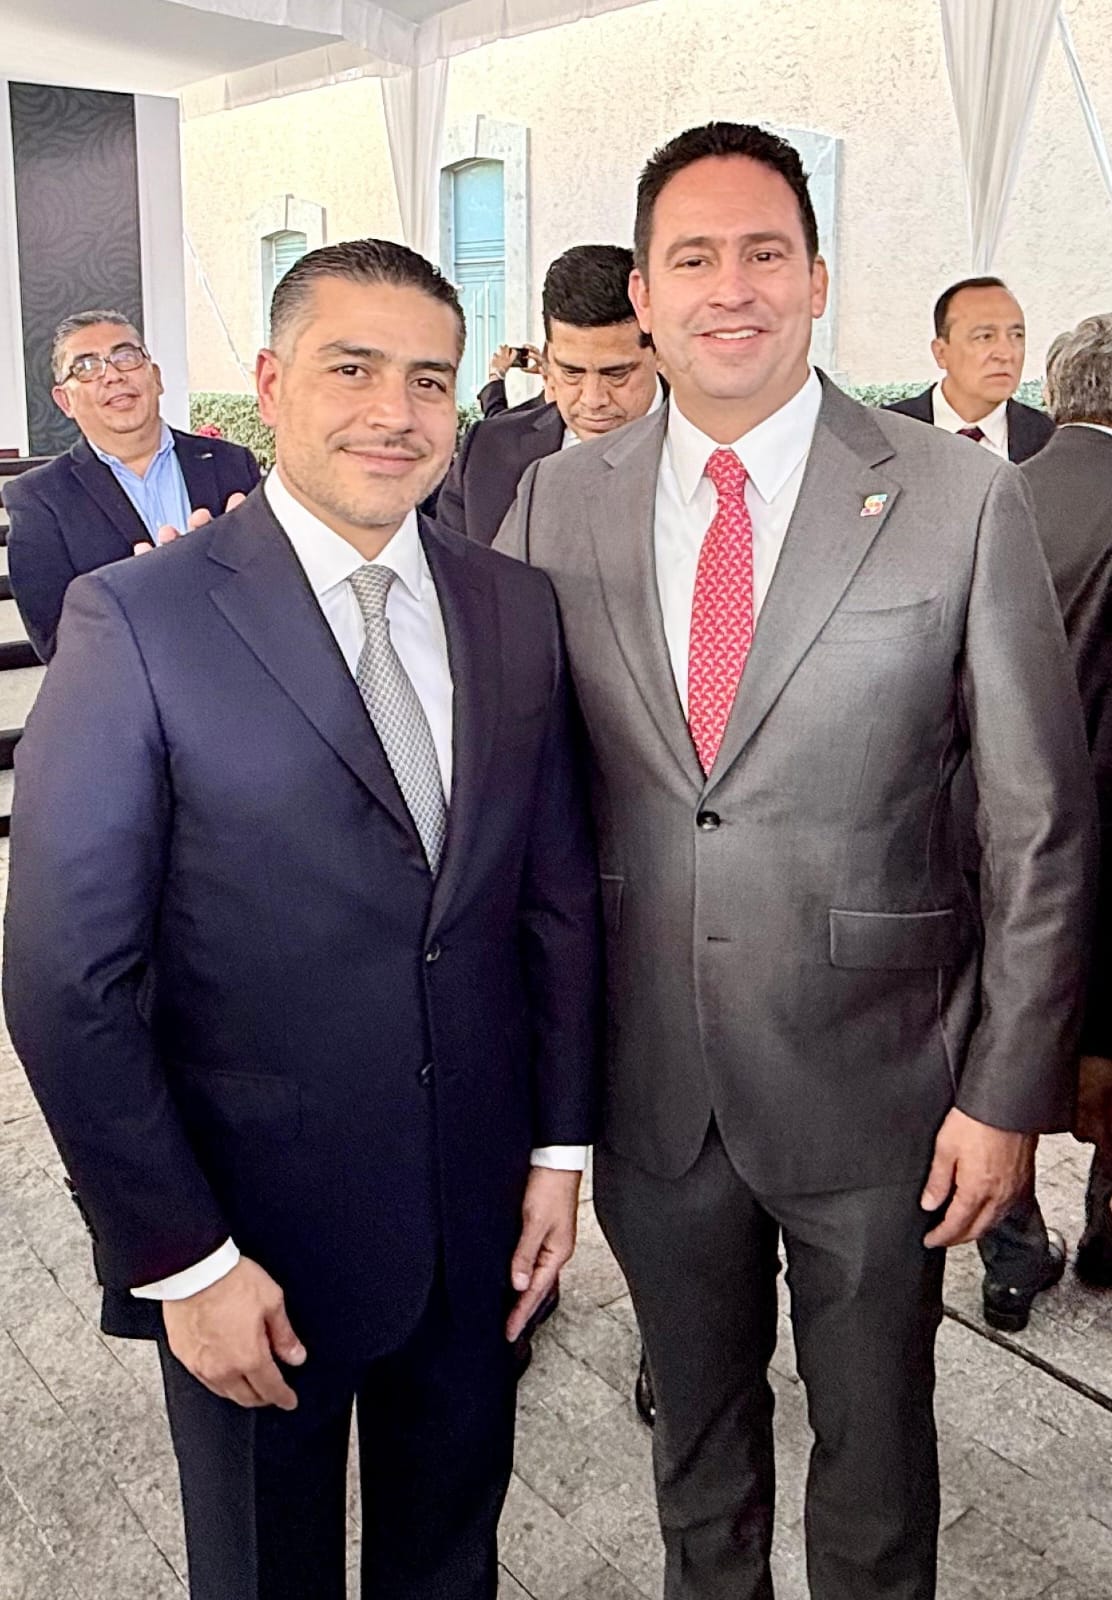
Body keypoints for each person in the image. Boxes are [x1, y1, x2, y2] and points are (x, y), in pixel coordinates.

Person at [497, 121, 1095, 1599]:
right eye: (692, 257)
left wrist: (1005, 1094)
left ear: (818, 279)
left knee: (876, 1469)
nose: (732, 286)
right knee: (696, 1468)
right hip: (650, 1088)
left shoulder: (956, 495)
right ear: (644, 295)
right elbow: (496, 775)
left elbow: (1038, 823)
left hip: (886, 1095)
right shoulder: (557, 504)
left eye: (765, 251)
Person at [2, 239, 600, 1600]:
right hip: (248, 1240)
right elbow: (66, 977)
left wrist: (558, 1150)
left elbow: (553, 898)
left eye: (431, 379)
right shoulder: (138, 619)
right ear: (270, 386)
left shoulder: (513, 606)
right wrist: (180, 1258)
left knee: (449, 1564)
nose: (396, 411)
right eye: (352, 369)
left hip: (476, 1220)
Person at [4, 309, 260, 661]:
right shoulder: (38, 498)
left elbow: (278, 588)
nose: (113, 375)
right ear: (65, 401)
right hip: (134, 690)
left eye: (126, 356)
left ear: (156, 377)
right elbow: (59, 645)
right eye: (86, 366)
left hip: (239, 672)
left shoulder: (231, 465)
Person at [1021, 315, 1112, 1289]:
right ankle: (1107, 1235)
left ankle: (1010, 1250)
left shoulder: (994, 496)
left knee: (994, 1039)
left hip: (996, 836)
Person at [436, 244, 661, 545]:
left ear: (660, 352)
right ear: (547, 359)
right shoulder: (487, 452)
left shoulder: (709, 446)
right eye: (572, 372)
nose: (592, 399)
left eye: (616, 374)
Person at [885, 277, 1055, 463]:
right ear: (940, 353)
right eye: (985, 337)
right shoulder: (886, 433)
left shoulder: (1050, 441)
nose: (1006, 354)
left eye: (1016, 335)